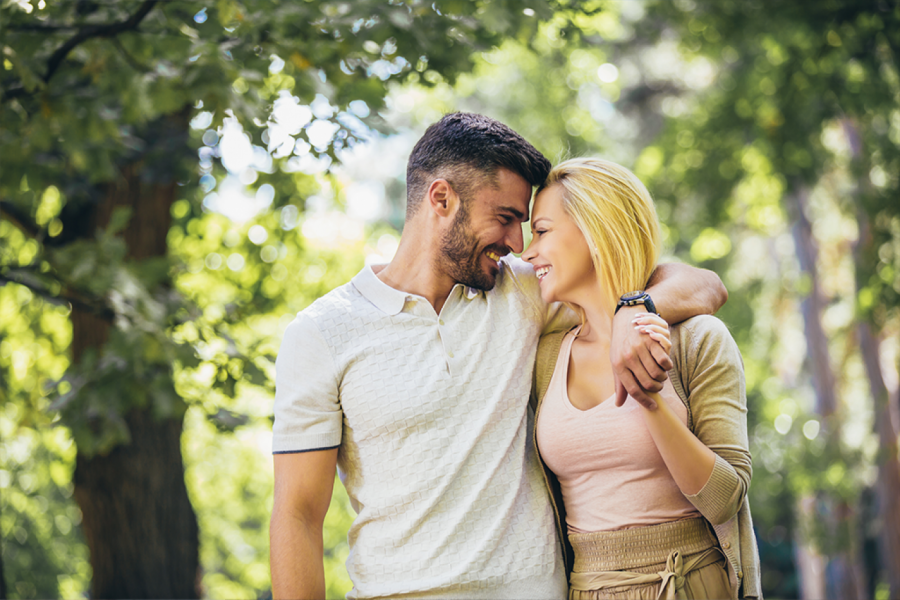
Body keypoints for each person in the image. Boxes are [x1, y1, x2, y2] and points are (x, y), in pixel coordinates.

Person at [269, 113, 727, 599]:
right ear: (441, 199)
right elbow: (297, 514)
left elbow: (703, 285)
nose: (517, 245)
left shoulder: (526, 293)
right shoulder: (322, 333)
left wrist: (635, 311)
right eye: (505, 218)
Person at [523, 157, 761, 600]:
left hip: (690, 583)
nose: (527, 251)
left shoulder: (695, 340)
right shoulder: (547, 355)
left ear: (595, 228)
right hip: (588, 589)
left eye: (541, 231)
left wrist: (650, 400)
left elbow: (725, 500)